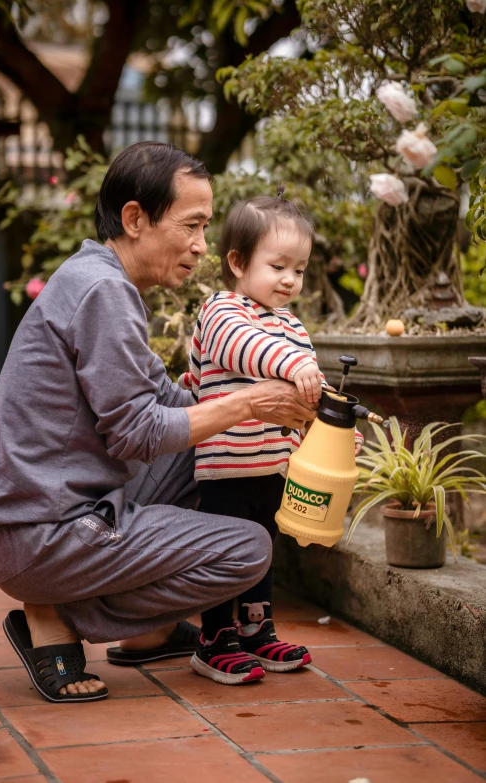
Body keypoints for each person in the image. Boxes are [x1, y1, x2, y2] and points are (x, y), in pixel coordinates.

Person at [0, 144, 316, 703]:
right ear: (135, 219)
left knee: (229, 463)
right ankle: (53, 614)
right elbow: (140, 433)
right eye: (192, 225)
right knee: (248, 548)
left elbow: (165, 401)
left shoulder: (100, 279)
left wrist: (244, 395)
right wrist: (249, 405)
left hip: (56, 515)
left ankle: (146, 631)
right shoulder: (102, 290)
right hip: (45, 534)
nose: (203, 245)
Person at [180, 189, 363, 685]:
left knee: (262, 546)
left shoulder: (294, 329)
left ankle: (256, 630)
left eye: (299, 270)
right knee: (225, 549)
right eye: (279, 265)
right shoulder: (222, 312)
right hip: (224, 464)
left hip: (271, 463)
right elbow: (248, 350)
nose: (290, 280)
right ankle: (214, 636)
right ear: (238, 262)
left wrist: (334, 435)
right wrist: (298, 367)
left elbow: (309, 396)